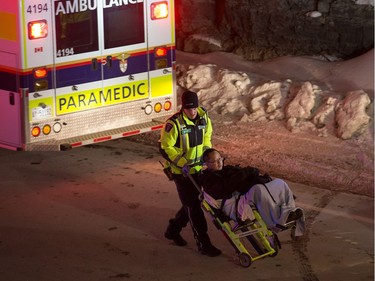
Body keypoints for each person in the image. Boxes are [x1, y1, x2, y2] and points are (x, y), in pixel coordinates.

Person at [159, 90, 222, 257]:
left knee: (191, 204)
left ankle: (173, 230)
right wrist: (182, 163)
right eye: (188, 109)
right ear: (182, 108)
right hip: (181, 172)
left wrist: (207, 156)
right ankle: (204, 244)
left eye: (194, 108)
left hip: (198, 169)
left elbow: (207, 137)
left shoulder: (203, 118)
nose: (192, 112)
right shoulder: (174, 124)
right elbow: (165, 148)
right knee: (194, 207)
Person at [200, 148, 305, 236]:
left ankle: (290, 212)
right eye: (215, 161)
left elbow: (239, 178)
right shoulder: (207, 179)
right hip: (233, 204)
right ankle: (277, 222)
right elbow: (226, 188)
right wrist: (243, 174)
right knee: (258, 189)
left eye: (220, 159)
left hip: (242, 196)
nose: (219, 163)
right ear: (207, 164)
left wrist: (249, 173)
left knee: (279, 183)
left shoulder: (226, 169)